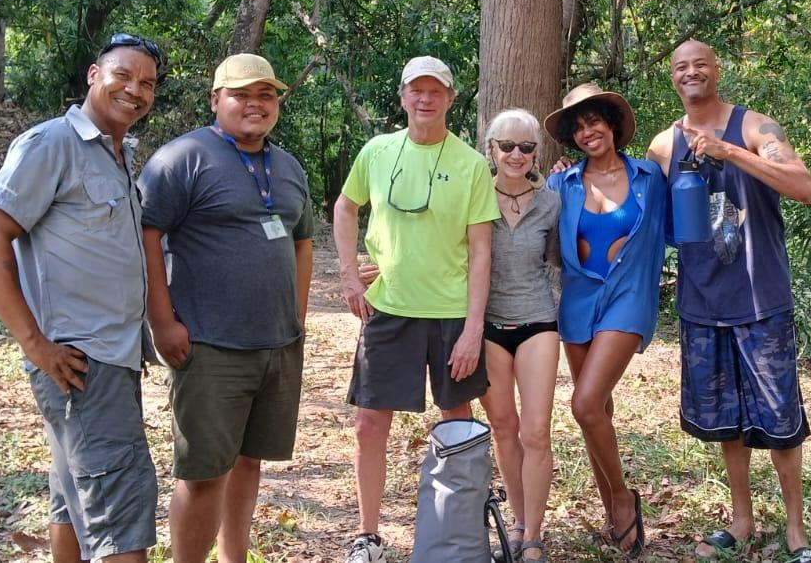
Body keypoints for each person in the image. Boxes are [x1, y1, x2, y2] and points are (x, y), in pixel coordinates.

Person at [0, 33, 164, 563]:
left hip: (111, 361)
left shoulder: (119, 156)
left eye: (147, 83)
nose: (134, 90)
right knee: (121, 516)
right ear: (94, 75)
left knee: (73, 499)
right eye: (123, 75)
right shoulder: (51, 143)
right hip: (81, 362)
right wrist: (35, 345)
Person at [645, 40, 811, 563]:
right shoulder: (661, 146)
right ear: (672, 79)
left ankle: (796, 531)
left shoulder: (754, 128)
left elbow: (804, 187)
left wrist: (728, 152)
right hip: (702, 303)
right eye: (681, 67)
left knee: (781, 420)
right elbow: (640, 206)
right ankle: (742, 520)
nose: (691, 72)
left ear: (717, 70)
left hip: (761, 298)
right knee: (726, 422)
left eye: (700, 63)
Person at [137, 54, 314, 563]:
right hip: (209, 344)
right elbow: (148, 236)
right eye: (242, 94)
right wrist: (162, 322)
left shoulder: (287, 166)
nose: (255, 105)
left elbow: (302, 242)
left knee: (249, 463)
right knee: (203, 472)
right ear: (216, 100)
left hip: (277, 345)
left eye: (266, 95)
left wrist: (296, 316)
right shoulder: (182, 158)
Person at [332, 56, 499, 563]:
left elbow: (481, 251)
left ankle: (459, 537)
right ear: (403, 97)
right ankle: (368, 536)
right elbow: (345, 206)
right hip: (389, 310)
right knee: (368, 424)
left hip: (450, 314)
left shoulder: (470, 162)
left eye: (436, 92)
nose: (425, 99)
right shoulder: (378, 151)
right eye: (415, 91)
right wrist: (346, 273)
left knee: (456, 424)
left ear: (450, 98)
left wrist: (473, 330)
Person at [543, 83, 668, 559]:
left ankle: (621, 500)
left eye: (593, 120)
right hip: (577, 304)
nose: (586, 131)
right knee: (598, 412)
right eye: (577, 127)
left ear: (612, 125)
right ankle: (613, 513)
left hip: (628, 299)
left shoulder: (650, 179)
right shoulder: (563, 183)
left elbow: (688, 222)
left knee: (584, 403)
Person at [478, 109, 561, 563]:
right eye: (506, 146)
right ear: (491, 149)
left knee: (536, 432)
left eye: (526, 147)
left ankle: (534, 535)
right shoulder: (475, 196)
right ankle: (517, 520)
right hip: (488, 325)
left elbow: (572, 254)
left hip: (537, 323)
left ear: (536, 153)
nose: (515, 154)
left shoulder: (552, 201)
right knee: (504, 428)